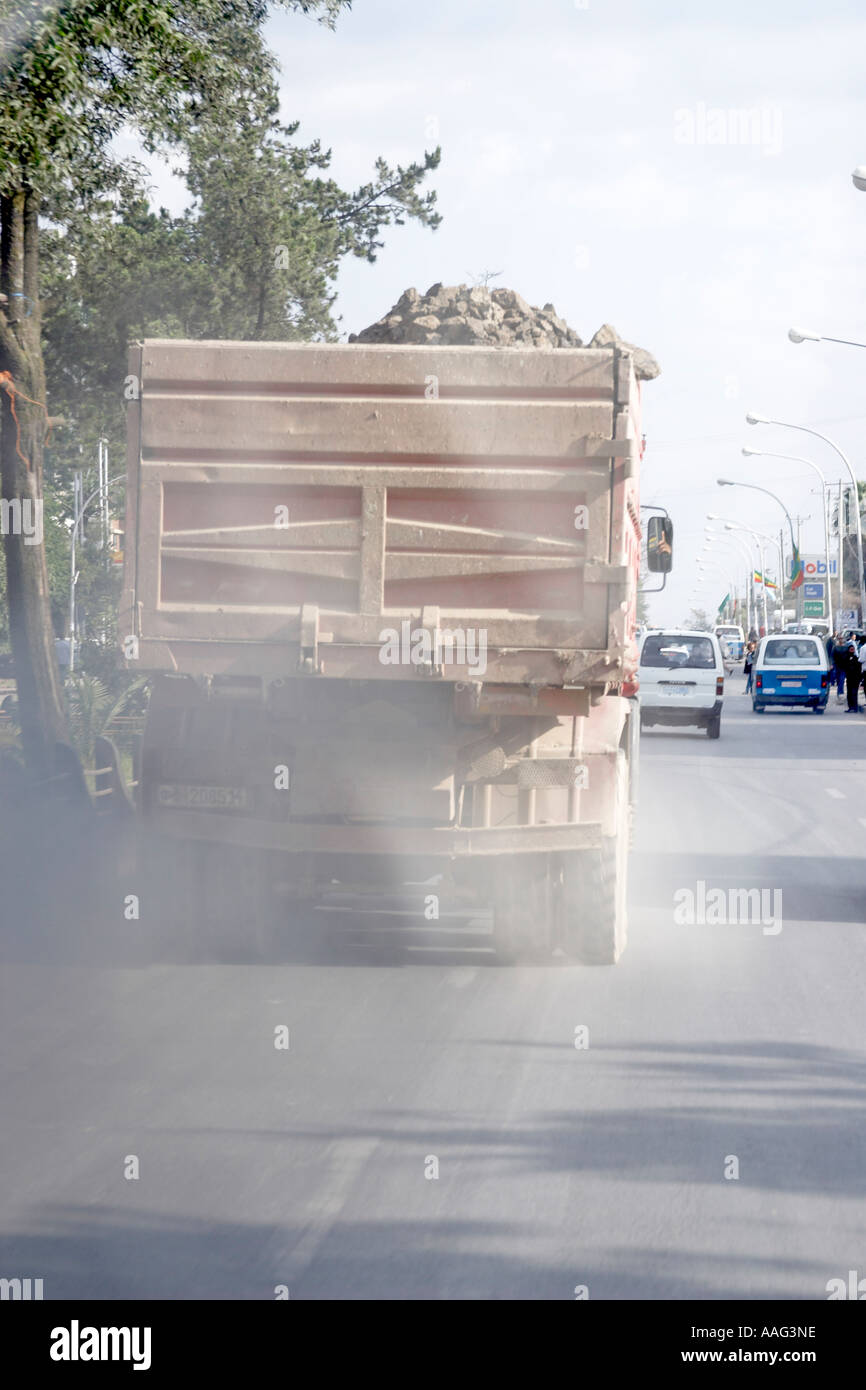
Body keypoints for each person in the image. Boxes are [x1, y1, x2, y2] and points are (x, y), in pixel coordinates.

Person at [843, 640, 862, 712]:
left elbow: (859, 669)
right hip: (849, 678)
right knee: (849, 693)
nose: (852, 651)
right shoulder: (846, 658)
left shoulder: (856, 659)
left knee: (854, 693)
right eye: (850, 649)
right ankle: (850, 707)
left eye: (853, 649)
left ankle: (855, 707)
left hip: (855, 678)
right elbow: (845, 666)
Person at [832, 634, 848, 701]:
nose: (841, 640)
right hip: (837, 665)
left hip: (844, 666)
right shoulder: (835, 647)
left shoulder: (846, 647)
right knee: (838, 679)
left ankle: (840, 692)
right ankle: (840, 691)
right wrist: (832, 664)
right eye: (840, 638)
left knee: (842, 679)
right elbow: (832, 656)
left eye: (842, 638)